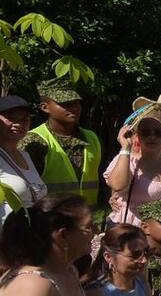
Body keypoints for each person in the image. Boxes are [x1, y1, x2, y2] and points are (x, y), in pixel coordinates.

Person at [0, 94, 48, 280]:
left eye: (24, 119)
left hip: (28, 245)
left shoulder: (24, 155)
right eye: (11, 118)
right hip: (4, 248)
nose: (19, 123)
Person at [20, 77, 102, 207]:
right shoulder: (34, 141)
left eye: (76, 103)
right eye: (66, 104)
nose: (74, 108)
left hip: (86, 215)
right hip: (50, 216)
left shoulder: (91, 137)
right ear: (45, 107)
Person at [103, 108, 161, 227]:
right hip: (131, 230)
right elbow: (117, 185)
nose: (152, 137)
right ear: (137, 135)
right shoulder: (128, 160)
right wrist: (125, 147)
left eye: (158, 132)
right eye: (146, 132)